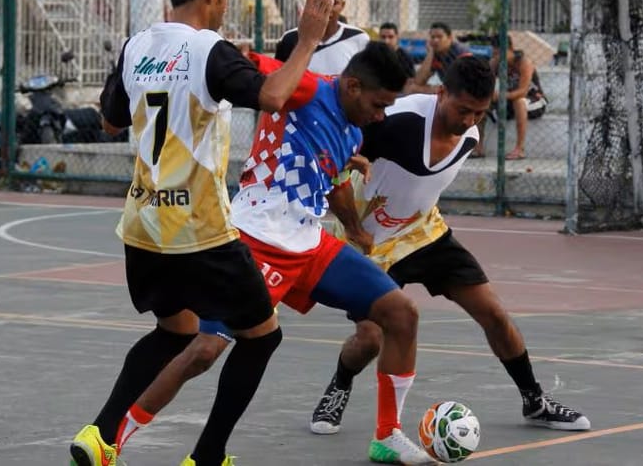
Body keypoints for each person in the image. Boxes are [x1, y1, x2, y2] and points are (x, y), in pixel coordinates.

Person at [68, 0, 337, 466]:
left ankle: (100, 436)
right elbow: (276, 95)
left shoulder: (137, 45)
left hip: (142, 227)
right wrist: (307, 40)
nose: (225, 5)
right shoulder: (207, 50)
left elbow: (110, 121)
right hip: (199, 230)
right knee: (261, 337)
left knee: (177, 331)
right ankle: (207, 456)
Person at [111, 42, 436, 465]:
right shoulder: (305, 88)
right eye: (378, 104)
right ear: (353, 86)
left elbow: (332, 179)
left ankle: (387, 434)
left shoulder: (354, 130)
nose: (381, 116)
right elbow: (252, 68)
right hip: (256, 238)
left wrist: (355, 228)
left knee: (402, 313)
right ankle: (114, 438)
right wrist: (259, 52)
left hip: (309, 241)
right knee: (204, 351)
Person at [307, 55, 591, 438]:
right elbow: (338, 170)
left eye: (479, 112)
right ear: (441, 94)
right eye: (463, 110)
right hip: (371, 240)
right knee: (371, 337)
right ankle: (340, 383)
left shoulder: (471, 134)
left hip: (425, 231)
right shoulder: (397, 121)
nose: (470, 121)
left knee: (494, 314)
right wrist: (355, 229)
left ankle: (534, 400)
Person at [274, 0, 370, 75]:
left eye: (333, 3)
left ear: (343, 5)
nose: (327, 8)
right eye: (320, 3)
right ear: (310, 3)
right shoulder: (289, 39)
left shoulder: (359, 38)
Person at [474, 35, 547, 160]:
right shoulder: (495, 63)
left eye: (500, 53)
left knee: (519, 101)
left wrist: (501, 96)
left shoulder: (524, 62)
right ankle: (478, 147)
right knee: (480, 103)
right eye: (495, 53)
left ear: (510, 49)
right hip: (508, 101)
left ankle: (519, 149)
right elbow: (486, 86)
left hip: (533, 100)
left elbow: (523, 92)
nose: (497, 57)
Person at [411, 22, 468, 93]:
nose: (435, 40)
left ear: (450, 38)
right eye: (433, 37)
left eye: (439, 37)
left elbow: (467, 83)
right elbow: (418, 81)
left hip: (464, 91)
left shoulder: (461, 52)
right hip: (448, 90)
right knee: (413, 88)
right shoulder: (436, 54)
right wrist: (430, 53)